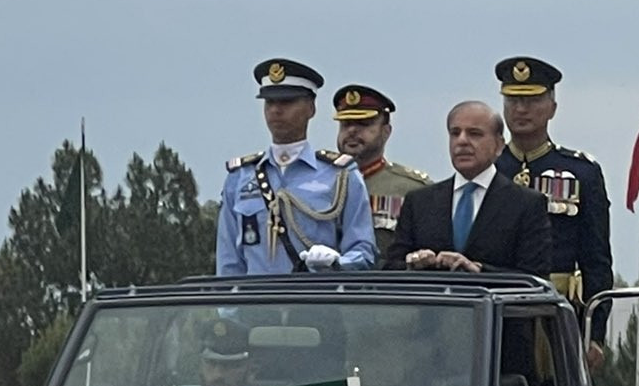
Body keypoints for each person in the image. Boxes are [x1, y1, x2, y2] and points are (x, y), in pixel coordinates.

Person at [495, 56, 615, 369]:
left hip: (557, 313)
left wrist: (595, 334)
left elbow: (597, 260)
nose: (521, 110)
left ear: (552, 108)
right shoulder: (488, 170)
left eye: (532, 100)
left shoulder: (581, 173)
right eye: (514, 100)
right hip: (495, 311)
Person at [218, 58, 376, 276]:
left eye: (287, 102)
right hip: (255, 304)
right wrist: (229, 309)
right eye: (269, 102)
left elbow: (363, 250)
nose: (275, 110)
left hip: (315, 301)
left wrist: (338, 262)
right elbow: (229, 260)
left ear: (311, 108)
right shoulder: (241, 176)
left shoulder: (340, 175)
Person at [384, 100, 550, 276]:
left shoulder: (526, 204)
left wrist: (478, 269)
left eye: (474, 134)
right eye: (455, 133)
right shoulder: (419, 202)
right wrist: (414, 262)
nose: (462, 141)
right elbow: (392, 267)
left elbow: (535, 276)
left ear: (499, 145)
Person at [333, 83, 430, 258]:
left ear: (386, 131)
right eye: (345, 124)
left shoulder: (412, 189)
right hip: (321, 283)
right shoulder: (319, 182)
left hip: (384, 283)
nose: (352, 130)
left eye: (364, 124)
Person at [197, 319, 265, 386]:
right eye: (211, 363)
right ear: (200, 367)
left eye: (229, 366)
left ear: (251, 370)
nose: (217, 375)